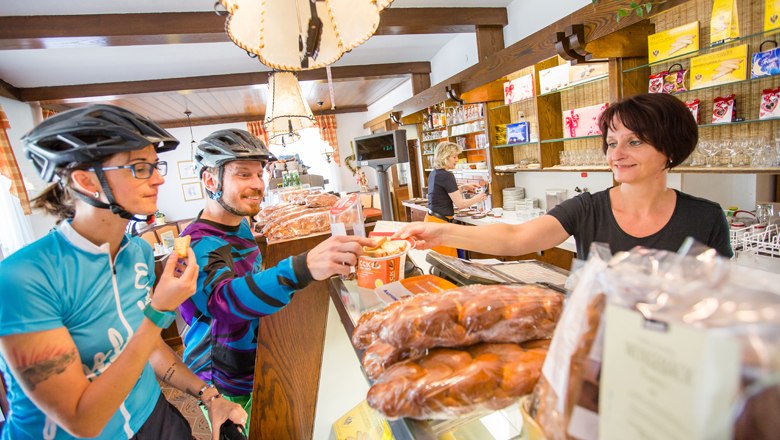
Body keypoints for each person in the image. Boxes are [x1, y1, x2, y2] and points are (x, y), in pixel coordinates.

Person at [0, 105, 247, 440]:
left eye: (155, 166)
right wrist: (159, 309)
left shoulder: (138, 252)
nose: (159, 178)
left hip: (155, 418)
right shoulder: (22, 279)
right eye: (140, 168)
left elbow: (148, 347)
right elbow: (82, 422)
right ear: (86, 180)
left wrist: (209, 395)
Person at [178, 129, 373, 433]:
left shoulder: (240, 227)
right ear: (210, 180)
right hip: (225, 383)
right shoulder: (198, 242)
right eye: (243, 174)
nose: (257, 184)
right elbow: (222, 301)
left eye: (259, 173)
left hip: (254, 363)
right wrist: (303, 267)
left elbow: (249, 279)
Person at [399, 93, 733, 260]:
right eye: (611, 143)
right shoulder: (587, 209)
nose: (617, 154)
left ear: (670, 148)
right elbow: (515, 238)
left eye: (634, 142)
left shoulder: (705, 218)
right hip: (597, 353)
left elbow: (719, 302)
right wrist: (439, 233)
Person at [425, 141, 488, 256]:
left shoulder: (434, 173)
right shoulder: (447, 175)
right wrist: (478, 198)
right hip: (440, 225)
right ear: (445, 157)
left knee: (438, 261)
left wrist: (463, 187)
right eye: (454, 157)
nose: (457, 160)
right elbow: (460, 204)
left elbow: (444, 193)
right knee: (447, 261)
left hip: (431, 221)